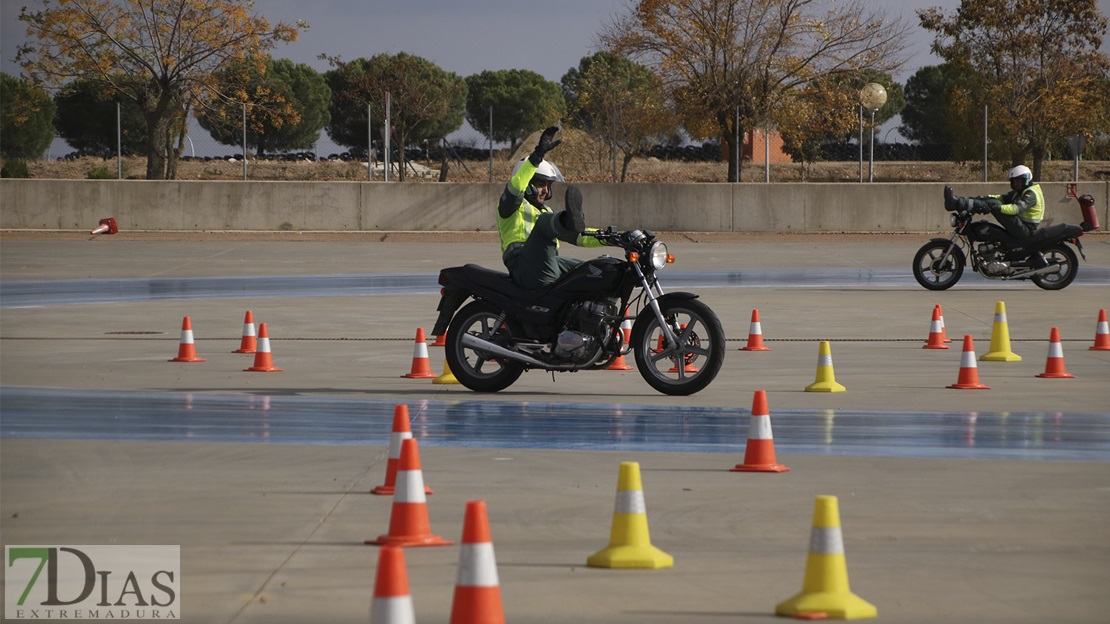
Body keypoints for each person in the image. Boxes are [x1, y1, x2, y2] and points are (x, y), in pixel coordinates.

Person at [498, 126, 607, 289]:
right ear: (528, 184)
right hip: (523, 265)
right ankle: (568, 220)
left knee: (598, 272)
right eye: (541, 184)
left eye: (549, 186)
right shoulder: (512, 206)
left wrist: (614, 237)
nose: (546, 191)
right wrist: (537, 157)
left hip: (548, 262)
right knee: (544, 223)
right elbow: (516, 186)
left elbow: (580, 236)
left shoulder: (548, 214)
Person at [944, 165, 1047, 267]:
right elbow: (1000, 198)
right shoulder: (1019, 192)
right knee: (992, 201)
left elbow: (1017, 208)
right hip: (1020, 225)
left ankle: (956, 203)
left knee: (994, 204)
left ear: (1026, 179)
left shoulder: (1031, 194)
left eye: (1018, 181)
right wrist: (983, 199)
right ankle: (957, 201)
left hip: (1024, 229)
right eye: (1014, 181)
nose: (1015, 184)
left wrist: (998, 208)